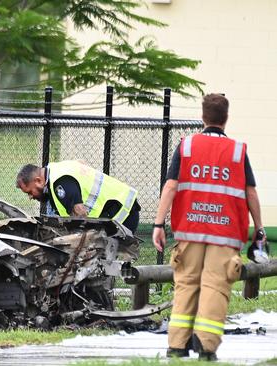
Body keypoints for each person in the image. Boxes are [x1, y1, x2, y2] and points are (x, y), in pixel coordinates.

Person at [152, 94, 264, 361]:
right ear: (226, 119)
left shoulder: (187, 146)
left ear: (202, 117)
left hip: (189, 231)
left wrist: (158, 223)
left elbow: (170, 186)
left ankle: (177, 346)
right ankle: (206, 346)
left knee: (186, 285)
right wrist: (259, 228)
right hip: (225, 235)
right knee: (215, 287)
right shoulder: (237, 151)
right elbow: (251, 193)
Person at [16, 160, 141, 234]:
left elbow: (80, 215)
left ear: (38, 181)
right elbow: (81, 162)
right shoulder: (57, 168)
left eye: (29, 192)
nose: (30, 197)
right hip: (120, 209)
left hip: (121, 213)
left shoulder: (59, 182)